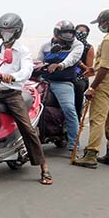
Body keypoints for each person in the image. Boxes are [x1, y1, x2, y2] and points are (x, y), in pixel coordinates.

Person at [0, 13, 52, 185]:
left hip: (12, 94)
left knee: (26, 128)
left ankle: (44, 167)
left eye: (10, 30)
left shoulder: (22, 51)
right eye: (3, 30)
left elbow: (27, 70)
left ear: (17, 32)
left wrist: (12, 77)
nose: (6, 33)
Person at [73, 10, 109, 168]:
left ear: (106, 22)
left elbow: (105, 66)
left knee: (97, 118)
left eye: (100, 23)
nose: (100, 26)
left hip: (106, 80)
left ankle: (91, 154)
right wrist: (94, 69)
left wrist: (93, 87)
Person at [36, 20, 83, 151]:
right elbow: (38, 60)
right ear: (56, 34)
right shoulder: (45, 46)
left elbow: (72, 59)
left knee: (69, 109)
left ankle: (74, 146)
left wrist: (60, 65)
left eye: (70, 34)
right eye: (64, 35)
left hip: (63, 83)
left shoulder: (77, 45)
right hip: (44, 81)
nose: (66, 40)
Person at [73, 24, 95, 119]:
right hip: (66, 74)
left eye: (83, 33)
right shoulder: (69, 44)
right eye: (78, 32)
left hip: (80, 76)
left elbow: (88, 70)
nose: (80, 34)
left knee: (78, 86)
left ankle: (77, 116)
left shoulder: (88, 48)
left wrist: (79, 63)